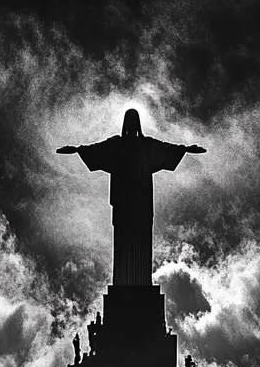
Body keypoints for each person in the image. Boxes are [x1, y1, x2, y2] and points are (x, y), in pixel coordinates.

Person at [57, 110, 206, 285]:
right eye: (129, 121)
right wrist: (77, 150)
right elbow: (97, 149)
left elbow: (166, 149)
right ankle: (122, 281)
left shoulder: (146, 145)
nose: (131, 126)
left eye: (134, 122)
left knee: (142, 241)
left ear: (138, 124)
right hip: (123, 203)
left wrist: (185, 149)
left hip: (142, 203)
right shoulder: (116, 145)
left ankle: (142, 281)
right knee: (122, 240)